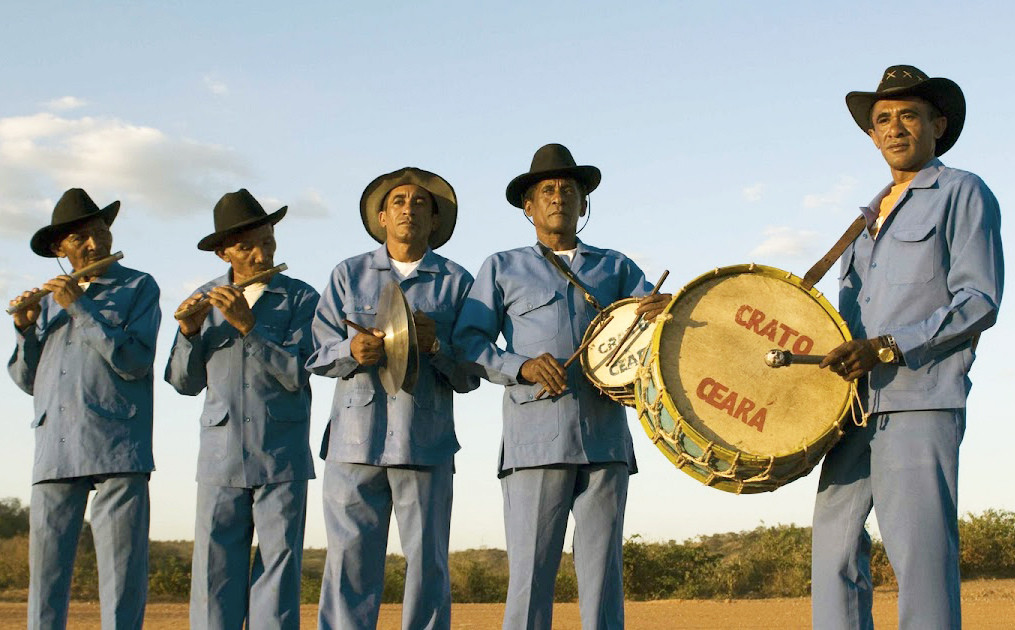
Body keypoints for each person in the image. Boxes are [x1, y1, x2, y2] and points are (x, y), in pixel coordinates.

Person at [813, 65, 1004, 629]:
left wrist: (890, 347)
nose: (895, 128)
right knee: (833, 553)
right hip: (850, 411)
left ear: (936, 124)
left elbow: (980, 299)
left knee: (920, 557)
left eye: (909, 115)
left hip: (921, 400)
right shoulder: (862, 221)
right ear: (872, 136)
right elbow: (845, 320)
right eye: (883, 120)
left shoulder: (962, 191)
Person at [453, 144, 670, 629]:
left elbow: (653, 336)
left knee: (603, 579)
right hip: (535, 443)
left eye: (568, 190)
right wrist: (522, 367)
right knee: (530, 578)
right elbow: (468, 341)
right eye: (546, 190)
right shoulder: (502, 267)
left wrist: (667, 311)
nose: (558, 197)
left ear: (583, 204)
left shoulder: (615, 267)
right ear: (528, 207)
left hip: (605, 440)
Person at [307, 167, 479, 630]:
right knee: (348, 565)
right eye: (398, 202)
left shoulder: (458, 282)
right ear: (382, 217)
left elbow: (470, 373)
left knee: (427, 565)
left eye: (420, 202)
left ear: (434, 219)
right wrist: (350, 350)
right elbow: (317, 354)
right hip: (352, 446)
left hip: (426, 443)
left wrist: (438, 347)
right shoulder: (348, 274)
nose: (408, 209)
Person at [165, 189, 319, 629]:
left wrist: (251, 329)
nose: (261, 252)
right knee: (215, 579)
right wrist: (189, 334)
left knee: (278, 570)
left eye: (268, 241)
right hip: (220, 457)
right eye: (248, 245)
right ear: (223, 252)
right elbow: (182, 383)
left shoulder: (302, 298)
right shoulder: (202, 300)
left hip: (282, 456)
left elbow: (298, 372)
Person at [8, 188, 161, 629]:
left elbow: (134, 361)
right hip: (54, 447)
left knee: (122, 569)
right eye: (80, 239)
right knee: (46, 574)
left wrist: (80, 307)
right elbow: (26, 381)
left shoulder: (138, 286)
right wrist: (25, 330)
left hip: (117, 443)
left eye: (100, 233)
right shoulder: (47, 303)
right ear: (60, 250)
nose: (94, 245)